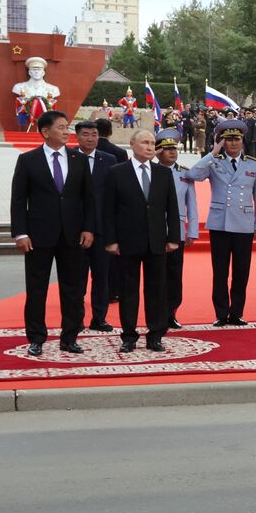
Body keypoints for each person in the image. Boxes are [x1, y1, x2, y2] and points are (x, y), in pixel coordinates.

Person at [10, 111, 96, 356]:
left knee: (72, 289)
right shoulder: (28, 160)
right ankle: (36, 338)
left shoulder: (78, 159)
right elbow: (18, 200)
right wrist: (20, 233)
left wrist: (89, 228)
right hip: (38, 235)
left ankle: (70, 337)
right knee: (37, 289)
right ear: (46, 132)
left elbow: (88, 199)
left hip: (73, 235)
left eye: (67, 126)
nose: (67, 131)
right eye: (61, 127)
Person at [182, 119, 256, 326]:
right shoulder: (214, 161)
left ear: (242, 141)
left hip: (244, 224)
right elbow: (192, 174)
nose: (234, 143)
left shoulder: (253, 164)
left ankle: (236, 313)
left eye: (237, 139)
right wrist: (212, 153)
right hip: (220, 224)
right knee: (220, 272)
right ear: (222, 142)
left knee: (241, 271)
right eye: (228, 140)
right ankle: (221, 313)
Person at [102, 129, 180, 352]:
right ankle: (129, 336)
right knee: (128, 291)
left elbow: (172, 208)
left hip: (156, 241)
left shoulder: (163, 173)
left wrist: (173, 237)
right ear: (132, 144)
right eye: (144, 142)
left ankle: (155, 334)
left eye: (152, 143)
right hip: (127, 241)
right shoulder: (116, 172)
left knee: (157, 290)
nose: (149, 146)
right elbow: (108, 211)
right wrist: (111, 240)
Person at [70, 120, 118, 332]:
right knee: (77, 279)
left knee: (102, 277)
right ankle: (76, 319)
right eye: (86, 134)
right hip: (76, 229)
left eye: (94, 135)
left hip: (102, 229)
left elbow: (114, 195)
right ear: (77, 136)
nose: (90, 138)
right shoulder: (68, 158)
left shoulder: (109, 160)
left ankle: (99, 318)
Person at [154, 128, 198, 329]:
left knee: (174, 273)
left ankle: (171, 312)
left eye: (174, 148)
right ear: (158, 151)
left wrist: (192, 231)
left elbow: (192, 205)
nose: (172, 152)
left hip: (177, 231)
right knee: (156, 273)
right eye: (167, 149)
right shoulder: (150, 172)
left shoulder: (184, 174)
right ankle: (157, 313)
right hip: (154, 231)